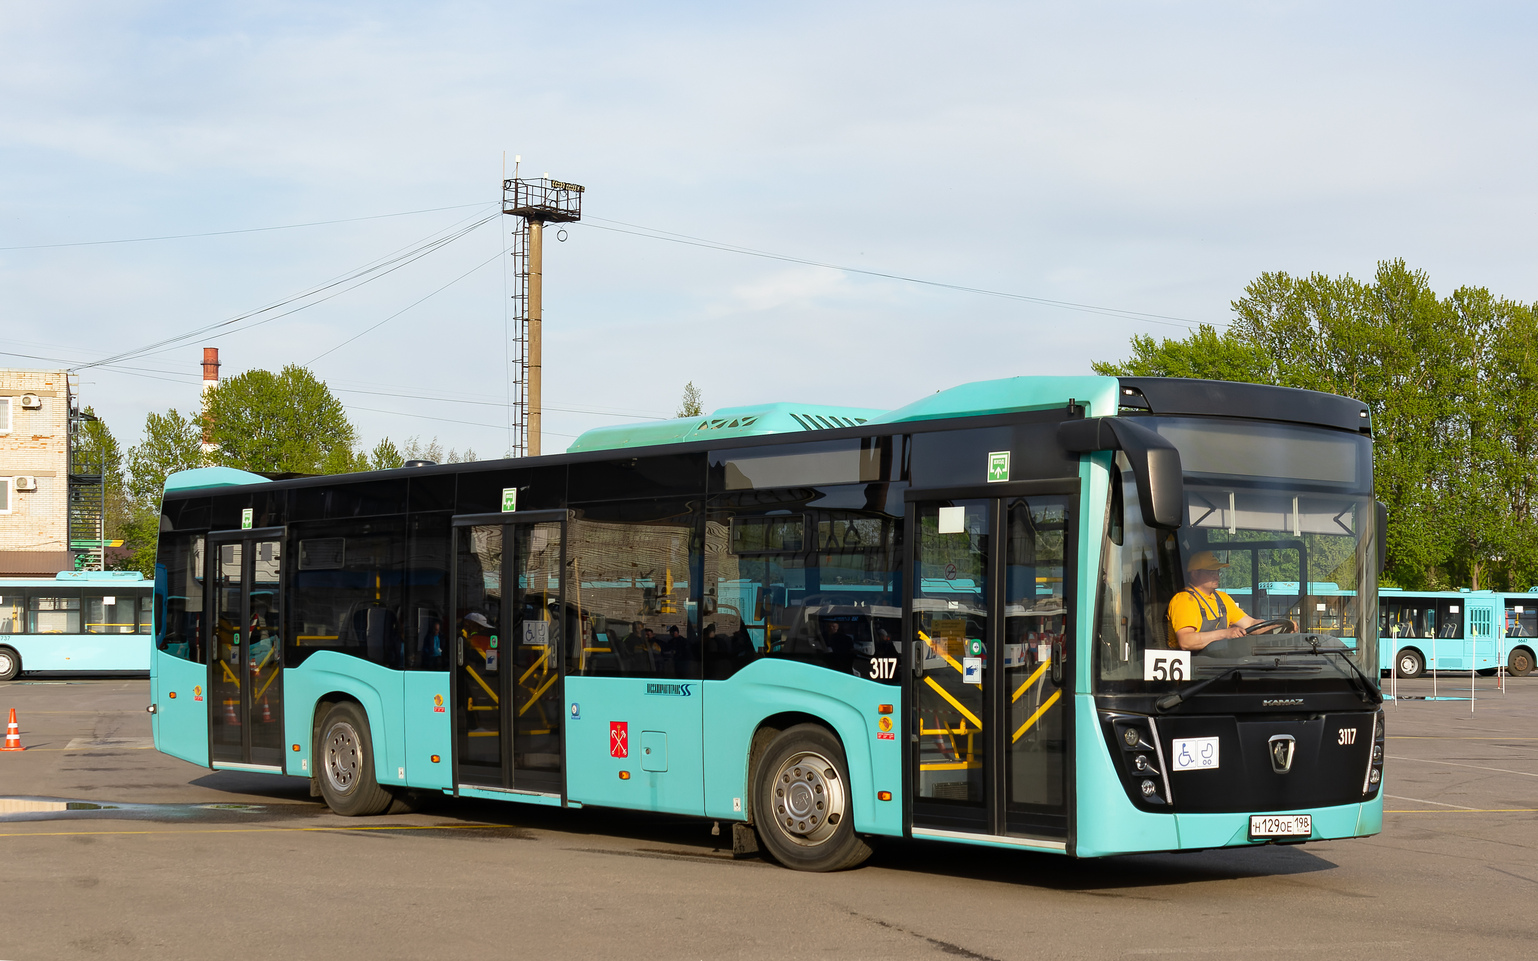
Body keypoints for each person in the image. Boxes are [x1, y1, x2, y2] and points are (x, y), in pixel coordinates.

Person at [1166, 551, 1261, 651]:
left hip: (1219, 661)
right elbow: (1186, 641)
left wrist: (1275, 625)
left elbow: (1250, 624)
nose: (1217, 577)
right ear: (1195, 574)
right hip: (1194, 663)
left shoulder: (1223, 598)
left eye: (1217, 572)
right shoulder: (1184, 600)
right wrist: (1225, 634)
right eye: (1211, 572)